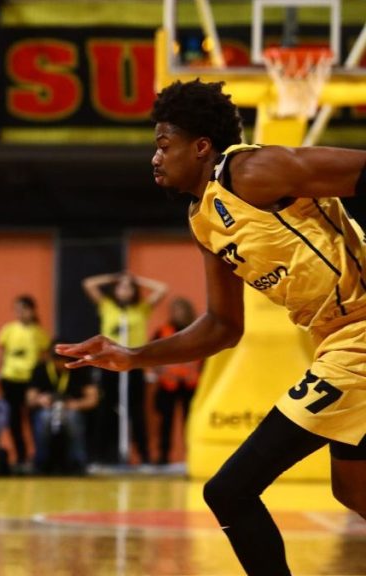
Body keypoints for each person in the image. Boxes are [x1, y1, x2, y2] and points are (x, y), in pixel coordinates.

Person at [57, 78, 366, 575]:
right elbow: (223, 326)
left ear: (201, 147)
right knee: (353, 489)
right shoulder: (204, 220)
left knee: (229, 490)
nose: (155, 158)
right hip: (335, 342)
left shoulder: (253, 170)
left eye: (164, 145)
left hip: (361, 336)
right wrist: (134, 356)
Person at [82, 271, 167, 465]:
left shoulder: (141, 309)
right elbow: (88, 284)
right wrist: (114, 277)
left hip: (133, 364)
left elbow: (162, 289)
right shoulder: (107, 306)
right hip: (109, 364)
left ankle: (144, 457)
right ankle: (100, 457)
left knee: (136, 411)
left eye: (129, 287)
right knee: (106, 409)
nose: (125, 290)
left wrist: (137, 280)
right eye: (121, 287)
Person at [0, 294, 49, 474]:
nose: (20, 313)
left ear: (32, 311)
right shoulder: (8, 330)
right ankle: (20, 457)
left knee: (34, 421)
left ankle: (37, 458)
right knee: (14, 421)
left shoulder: (38, 333)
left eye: (24, 309)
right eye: (17, 310)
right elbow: (1, 354)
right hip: (10, 380)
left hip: (30, 382)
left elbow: (43, 359)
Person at [27, 344, 98, 475]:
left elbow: (92, 399)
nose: (59, 364)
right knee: (43, 418)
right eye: (56, 360)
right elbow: (30, 399)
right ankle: (41, 461)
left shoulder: (79, 369)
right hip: (47, 409)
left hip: (71, 409)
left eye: (62, 360)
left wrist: (76, 404)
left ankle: (78, 461)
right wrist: (40, 400)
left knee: (73, 418)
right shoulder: (40, 369)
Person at [148, 297, 201, 465]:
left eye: (181, 310)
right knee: (165, 421)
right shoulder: (163, 331)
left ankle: (193, 457)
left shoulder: (198, 331)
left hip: (191, 384)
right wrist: (159, 370)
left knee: (191, 422)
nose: (178, 314)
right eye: (175, 310)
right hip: (168, 383)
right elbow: (150, 354)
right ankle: (163, 456)